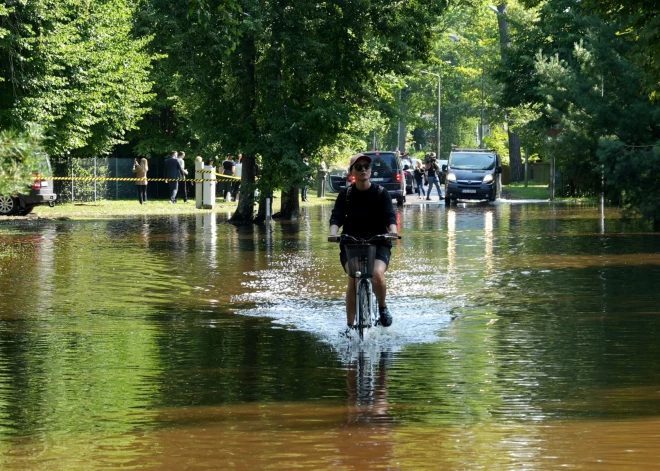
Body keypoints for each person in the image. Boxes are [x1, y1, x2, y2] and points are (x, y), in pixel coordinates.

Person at [328, 153, 398, 331]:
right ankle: (350, 326)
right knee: (353, 278)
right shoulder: (346, 194)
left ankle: (382, 308)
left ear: (371, 170)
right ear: (352, 172)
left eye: (366, 166)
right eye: (358, 167)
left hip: (378, 242)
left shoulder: (381, 193)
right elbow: (336, 217)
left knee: (376, 274)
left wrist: (393, 232)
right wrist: (333, 233)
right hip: (351, 243)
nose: (363, 170)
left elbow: (390, 216)